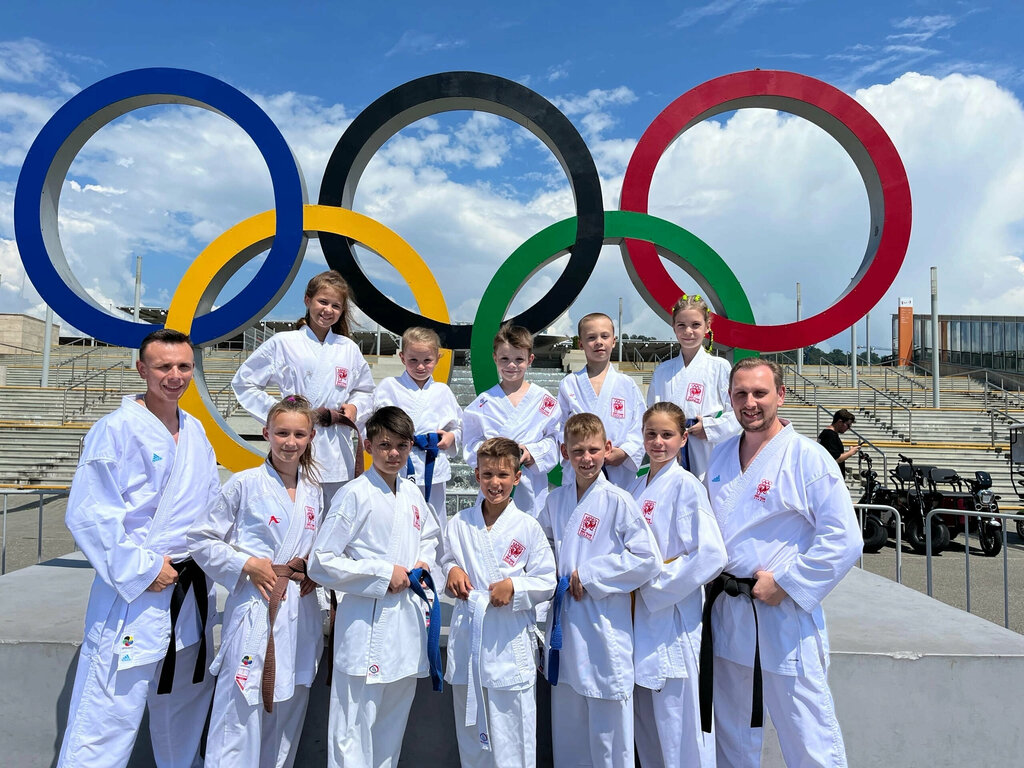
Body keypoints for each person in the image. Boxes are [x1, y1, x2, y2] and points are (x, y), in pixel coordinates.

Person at [57, 329, 220, 768]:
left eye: (184, 366)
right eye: (164, 366)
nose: (175, 375)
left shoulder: (196, 430)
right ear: (142, 369)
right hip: (136, 592)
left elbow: (210, 507)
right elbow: (90, 514)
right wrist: (144, 569)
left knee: (185, 705)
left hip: (189, 588)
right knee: (107, 713)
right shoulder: (115, 429)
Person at [702, 358, 862, 768]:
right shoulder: (721, 455)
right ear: (729, 398)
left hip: (782, 612)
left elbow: (844, 539)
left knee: (807, 732)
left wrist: (787, 583)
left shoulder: (808, 457)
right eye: (741, 394)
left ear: (781, 395)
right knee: (732, 733)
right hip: (729, 611)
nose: (750, 403)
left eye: (760, 393)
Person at [188, 394, 324, 768]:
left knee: (288, 708)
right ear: (266, 433)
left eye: (299, 434)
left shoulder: (314, 491)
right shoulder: (243, 484)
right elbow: (201, 538)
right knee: (240, 709)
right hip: (257, 605)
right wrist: (245, 563)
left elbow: (318, 546)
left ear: (311, 437)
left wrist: (313, 570)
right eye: (282, 433)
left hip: (300, 609)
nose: (290, 442)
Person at [309, 406, 441, 768]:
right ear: (368, 446)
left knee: (389, 732)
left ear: (411, 446)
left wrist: (422, 563)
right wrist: (383, 574)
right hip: (365, 626)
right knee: (352, 732)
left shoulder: (411, 493)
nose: (393, 453)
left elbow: (429, 536)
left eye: (401, 445)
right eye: (384, 445)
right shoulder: (353, 494)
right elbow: (320, 562)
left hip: (406, 627)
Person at [538, 413, 661, 768]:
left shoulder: (618, 500)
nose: (587, 458)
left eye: (593, 450)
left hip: (603, 626)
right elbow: (540, 548)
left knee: (609, 737)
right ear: (564, 452)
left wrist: (591, 574)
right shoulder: (556, 501)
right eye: (578, 451)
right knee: (569, 731)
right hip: (566, 626)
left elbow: (647, 559)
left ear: (607, 449)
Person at [442, 437, 556, 768]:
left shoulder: (528, 527)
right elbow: (445, 559)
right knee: (472, 743)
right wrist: (451, 570)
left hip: (509, 642)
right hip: (470, 640)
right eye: (488, 474)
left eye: (503, 475)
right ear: (476, 475)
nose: (495, 483)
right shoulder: (460, 523)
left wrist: (515, 586)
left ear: (517, 477)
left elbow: (546, 580)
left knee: (513, 741)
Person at [630, 402, 727, 768]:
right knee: (649, 730)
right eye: (651, 434)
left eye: (667, 435)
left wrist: (655, 586)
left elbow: (712, 555)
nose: (658, 442)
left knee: (680, 727)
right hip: (640, 619)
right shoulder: (637, 486)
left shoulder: (687, 486)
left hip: (673, 620)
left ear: (684, 439)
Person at [233, 270, 375, 509]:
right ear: (308, 300)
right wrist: (283, 415)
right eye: (323, 302)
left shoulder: (348, 348)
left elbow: (366, 390)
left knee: (336, 516)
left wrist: (354, 407)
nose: (328, 310)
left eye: (336, 306)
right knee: (294, 511)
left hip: (336, 449)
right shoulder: (284, 342)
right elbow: (244, 382)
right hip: (295, 443)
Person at [463, 324, 561, 518]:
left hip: (531, 483)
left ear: (530, 359)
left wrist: (531, 452)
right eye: (505, 359)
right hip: (495, 482)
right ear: (495, 358)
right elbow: (470, 443)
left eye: (519, 359)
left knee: (530, 529)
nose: (511, 365)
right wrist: (495, 455)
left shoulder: (545, 400)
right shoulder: (483, 403)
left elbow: (555, 440)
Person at [373, 326, 462, 527]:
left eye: (427, 360)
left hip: (432, 462)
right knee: (397, 516)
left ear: (438, 358)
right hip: (397, 461)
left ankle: (435, 549)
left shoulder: (442, 391)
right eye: (413, 360)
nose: (420, 366)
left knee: (434, 518)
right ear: (402, 357)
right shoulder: (389, 386)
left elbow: (458, 426)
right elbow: (372, 423)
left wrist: (451, 437)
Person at [647, 293, 740, 481]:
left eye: (695, 325)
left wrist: (709, 427)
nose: (688, 331)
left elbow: (736, 414)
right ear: (674, 327)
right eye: (681, 325)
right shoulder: (663, 371)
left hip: (706, 449)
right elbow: (650, 412)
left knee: (705, 491)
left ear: (707, 326)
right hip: (669, 448)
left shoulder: (719, 367)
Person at [557, 313, 645, 489]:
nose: (599, 342)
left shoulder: (626, 384)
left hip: (618, 471)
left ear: (613, 341)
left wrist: (625, 452)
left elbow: (640, 425)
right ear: (580, 344)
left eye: (604, 336)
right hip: (580, 467)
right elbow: (559, 427)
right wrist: (578, 452)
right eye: (591, 337)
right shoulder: (569, 383)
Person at [817, 409, 859, 478]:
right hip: (831, 478)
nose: (848, 428)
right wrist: (851, 452)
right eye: (848, 425)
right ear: (840, 422)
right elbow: (837, 459)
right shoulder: (830, 435)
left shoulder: (827, 433)